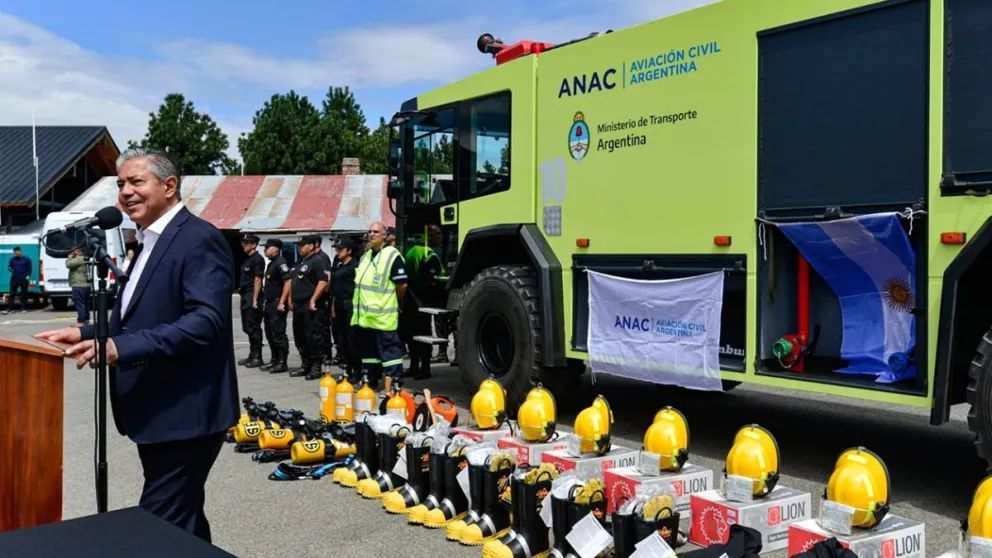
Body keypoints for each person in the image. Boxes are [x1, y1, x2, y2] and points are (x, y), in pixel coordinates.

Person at [37, 147, 239, 542]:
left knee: (157, 528)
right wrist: (87, 332)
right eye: (121, 184)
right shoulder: (147, 241)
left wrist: (118, 349)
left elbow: (206, 321)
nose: (125, 192)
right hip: (158, 414)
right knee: (183, 521)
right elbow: (136, 315)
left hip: (187, 416)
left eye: (136, 182)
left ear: (169, 185)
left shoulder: (198, 239)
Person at [352, 221, 407, 392]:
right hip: (365, 317)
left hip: (383, 315)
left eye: (376, 231)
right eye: (369, 231)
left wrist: (397, 302)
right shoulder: (365, 256)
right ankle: (370, 381)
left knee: (389, 352)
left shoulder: (392, 255)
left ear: (384, 235)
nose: (371, 234)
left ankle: (395, 383)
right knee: (369, 353)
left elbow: (402, 285)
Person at [402, 224, 445, 380]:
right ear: (429, 237)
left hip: (411, 299)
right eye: (437, 234)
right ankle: (424, 368)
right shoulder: (428, 254)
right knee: (421, 335)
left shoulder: (413, 251)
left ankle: (415, 366)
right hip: (422, 301)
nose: (440, 237)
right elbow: (433, 279)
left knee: (412, 335)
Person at [289, 235, 328, 379]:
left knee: (313, 337)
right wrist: (290, 299)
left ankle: (316, 367)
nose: (300, 248)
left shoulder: (316, 261)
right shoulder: (300, 263)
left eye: (302, 245)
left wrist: (313, 299)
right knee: (300, 337)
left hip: (310, 307)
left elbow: (323, 282)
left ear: (311, 246)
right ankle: (305, 365)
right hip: (298, 306)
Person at [259, 238, 290, 374]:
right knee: (270, 332)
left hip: (277, 302)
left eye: (268, 247)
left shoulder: (281, 263)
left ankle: (282, 362)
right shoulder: (271, 264)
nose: (265, 250)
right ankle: (274, 360)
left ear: (276, 249)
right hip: (270, 302)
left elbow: (288, 282)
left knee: (278, 333)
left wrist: (282, 301)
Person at [330, 238, 358, 377]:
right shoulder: (339, 265)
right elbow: (335, 288)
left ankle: (356, 371)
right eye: (337, 249)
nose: (338, 252)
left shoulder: (355, 266)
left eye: (340, 249)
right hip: (339, 303)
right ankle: (347, 369)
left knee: (352, 339)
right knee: (341, 339)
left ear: (349, 251)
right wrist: (333, 306)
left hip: (350, 304)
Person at [237, 234, 265, 368]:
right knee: (247, 326)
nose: (244, 245)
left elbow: (258, 280)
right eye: (243, 242)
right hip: (245, 295)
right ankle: (252, 354)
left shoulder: (257, 259)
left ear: (254, 244)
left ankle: (258, 356)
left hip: (252, 295)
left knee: (253, 327)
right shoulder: (247, 259)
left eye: (247, 242)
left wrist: (254, 299)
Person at [311, 237, 334, 367]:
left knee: (323, 327)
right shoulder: (313, 258)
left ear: (316, 244)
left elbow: (327, 278)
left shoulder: (322, 257)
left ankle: (326, 354)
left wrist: (324, 295)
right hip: (317, 297)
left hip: (322, 297)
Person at [66, 247, 91, 326]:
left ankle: (81, 321)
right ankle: (86, 320)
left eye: (73, 252)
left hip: (79, 284)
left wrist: (69, 258)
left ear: (78, 252)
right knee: (85, 303)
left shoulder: (79, 259)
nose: (71, 253)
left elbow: (68, 264)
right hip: (85, 285)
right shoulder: (85, 259)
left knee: (79, 303)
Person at [6, 246, 31, 314]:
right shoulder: (12, 259)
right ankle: (10, 309)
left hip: (23, 278)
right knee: (12, 294)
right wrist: (10, 268)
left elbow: (29, 268)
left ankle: (23, 308)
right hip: (14, 279)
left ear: (20, 251)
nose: (15, 254)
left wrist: (28, 276)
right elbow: (9, 266)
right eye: (14, 253)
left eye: (16, 253)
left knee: (24, 294)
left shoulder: (26, 259)